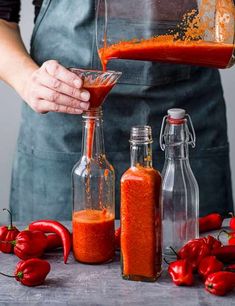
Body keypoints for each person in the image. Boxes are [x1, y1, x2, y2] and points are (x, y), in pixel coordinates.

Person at [0, 0, 233, 221]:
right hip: (66, 131)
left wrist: (227, 27)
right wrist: (27, 80)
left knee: (188, 254)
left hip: (179, 130)